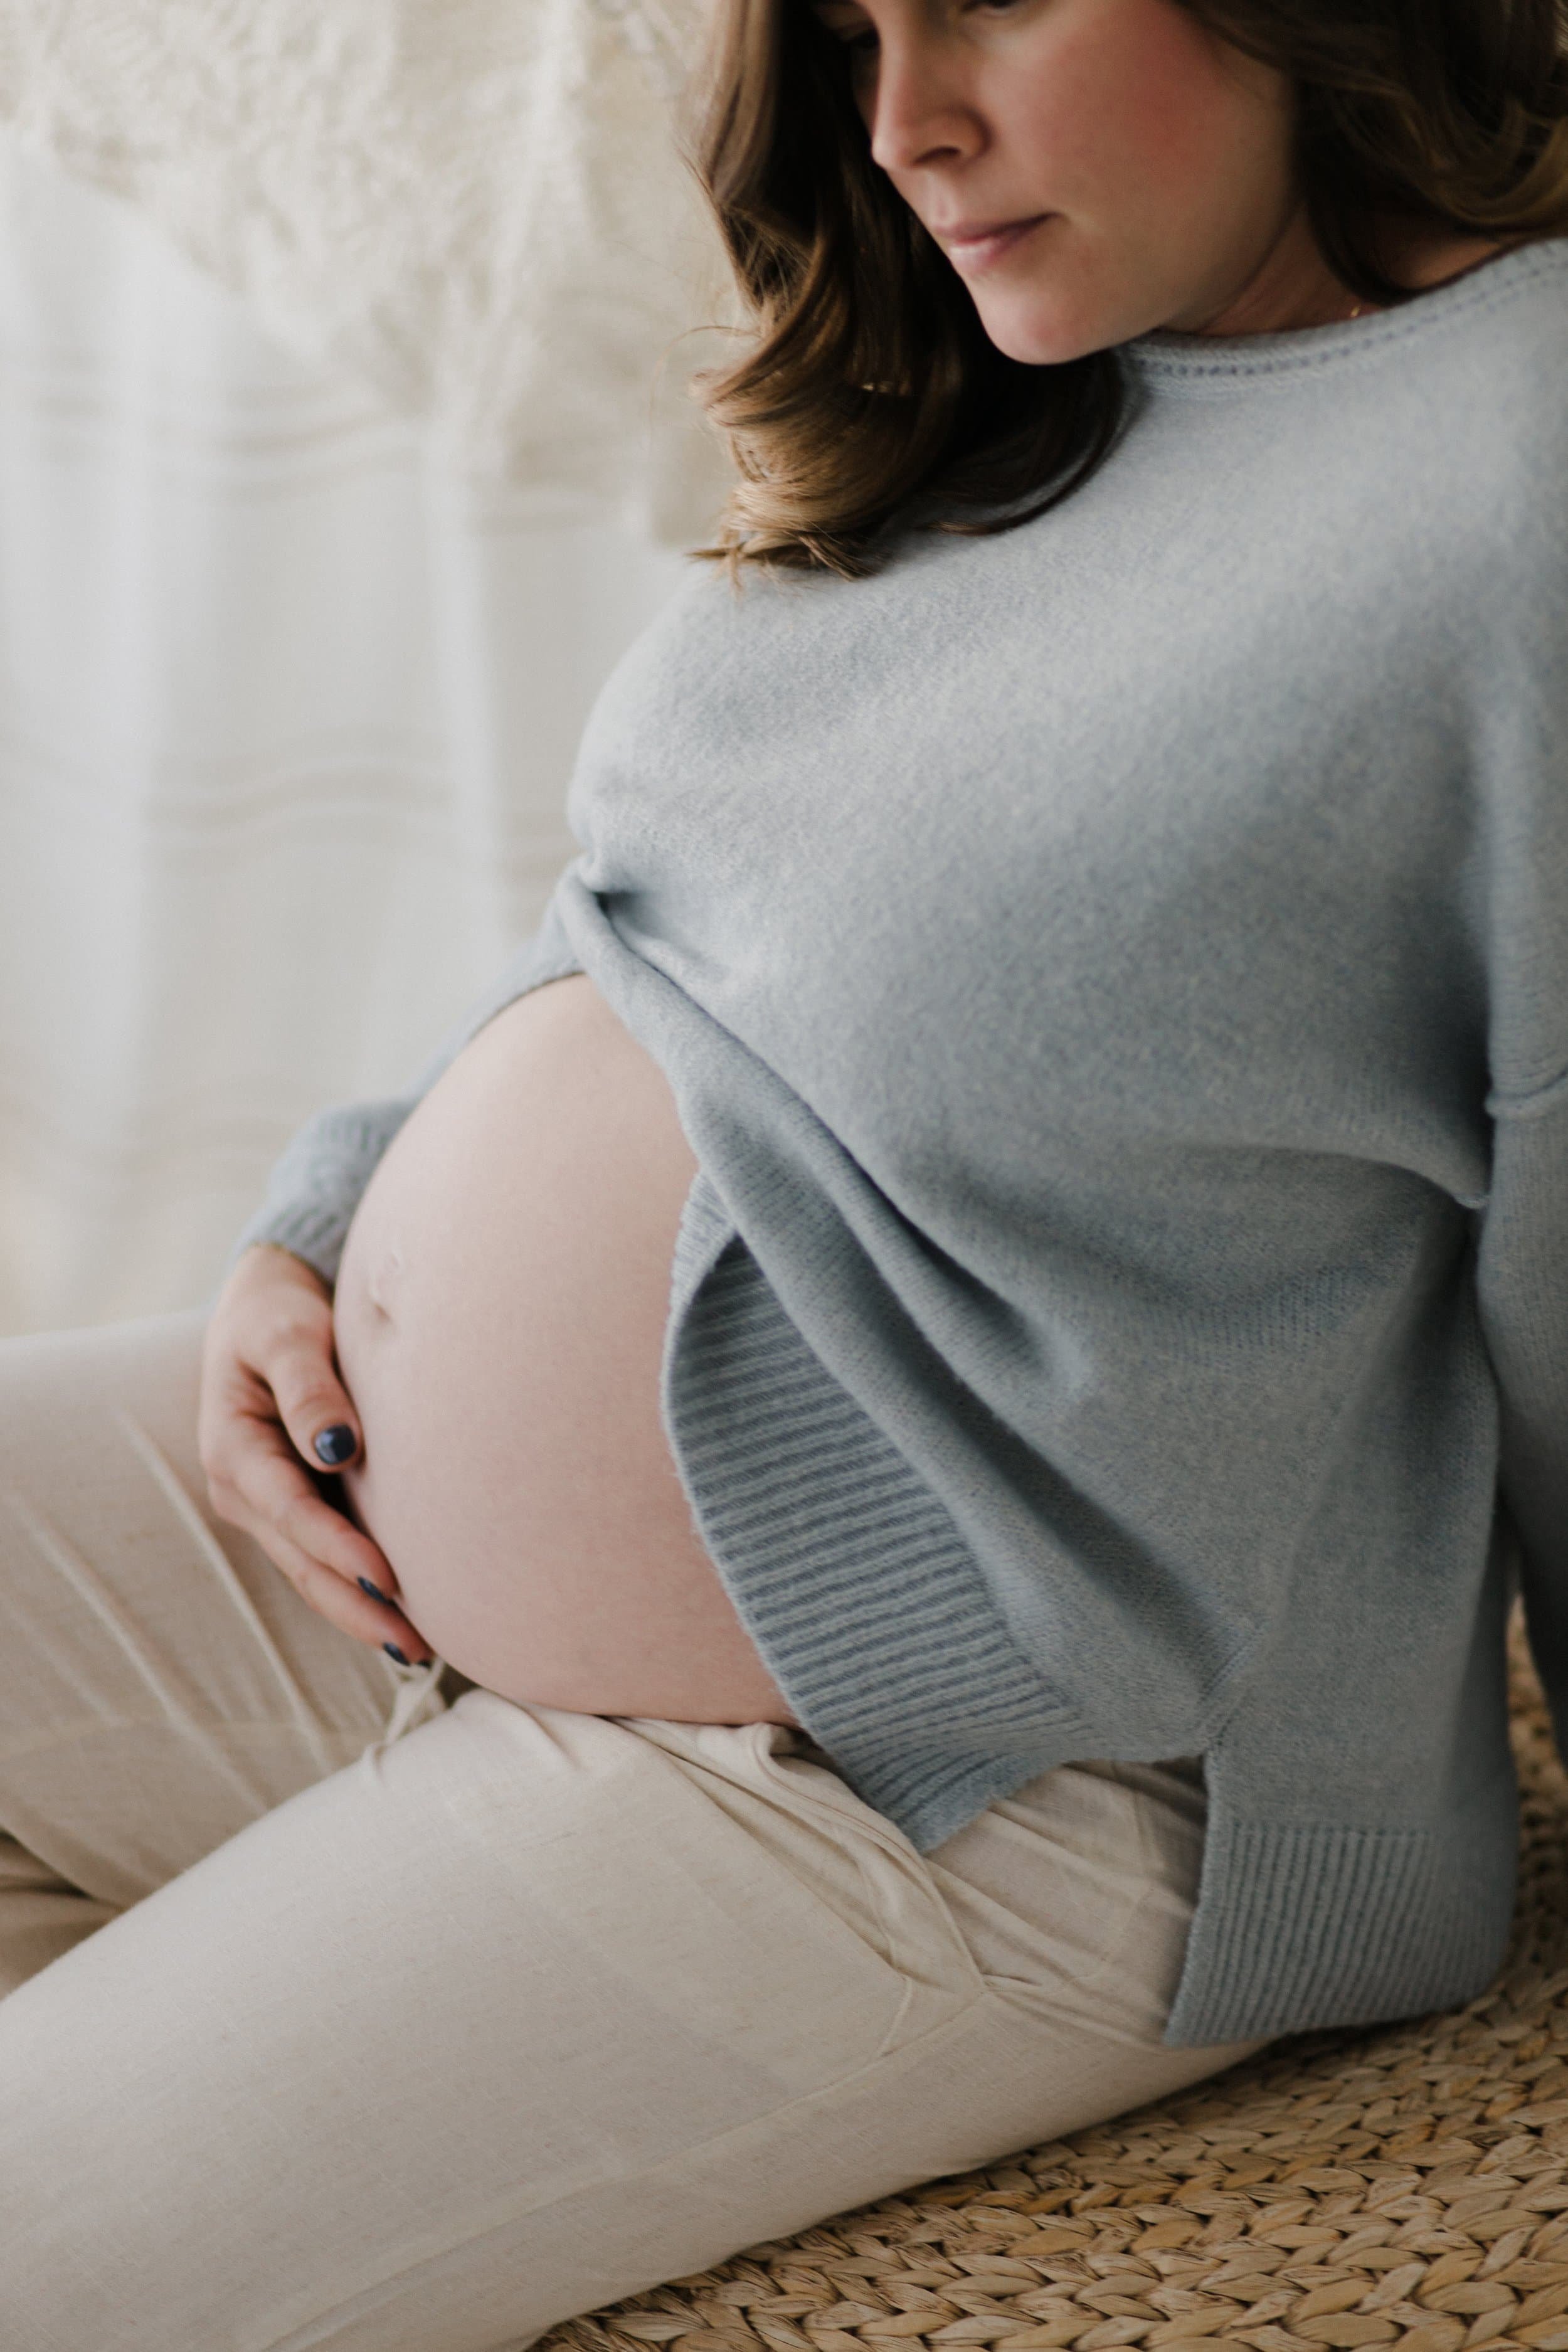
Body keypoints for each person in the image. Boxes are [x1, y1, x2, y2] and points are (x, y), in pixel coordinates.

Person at [1, 0, 1565, 2341]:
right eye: (847, 32)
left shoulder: (1521, 470)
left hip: (956, 1775)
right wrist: (332, 1217)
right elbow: (672, 910)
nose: (907, 120)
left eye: (990, 3)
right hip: (373, 1537)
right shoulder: (1013, 362)